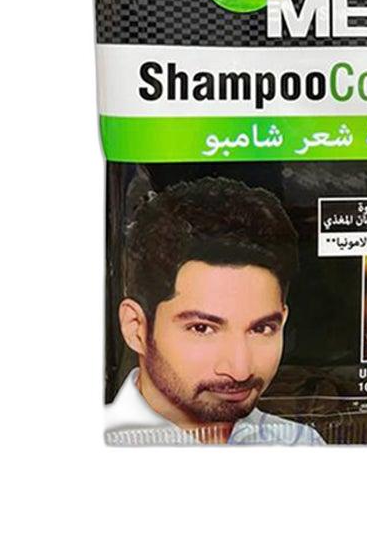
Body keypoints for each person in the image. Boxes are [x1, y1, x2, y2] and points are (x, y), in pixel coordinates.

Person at [105, 176, 324, 445]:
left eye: (261, 328)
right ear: (136, 328)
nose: (240, 370)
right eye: (203, 328)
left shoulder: (301, 445)